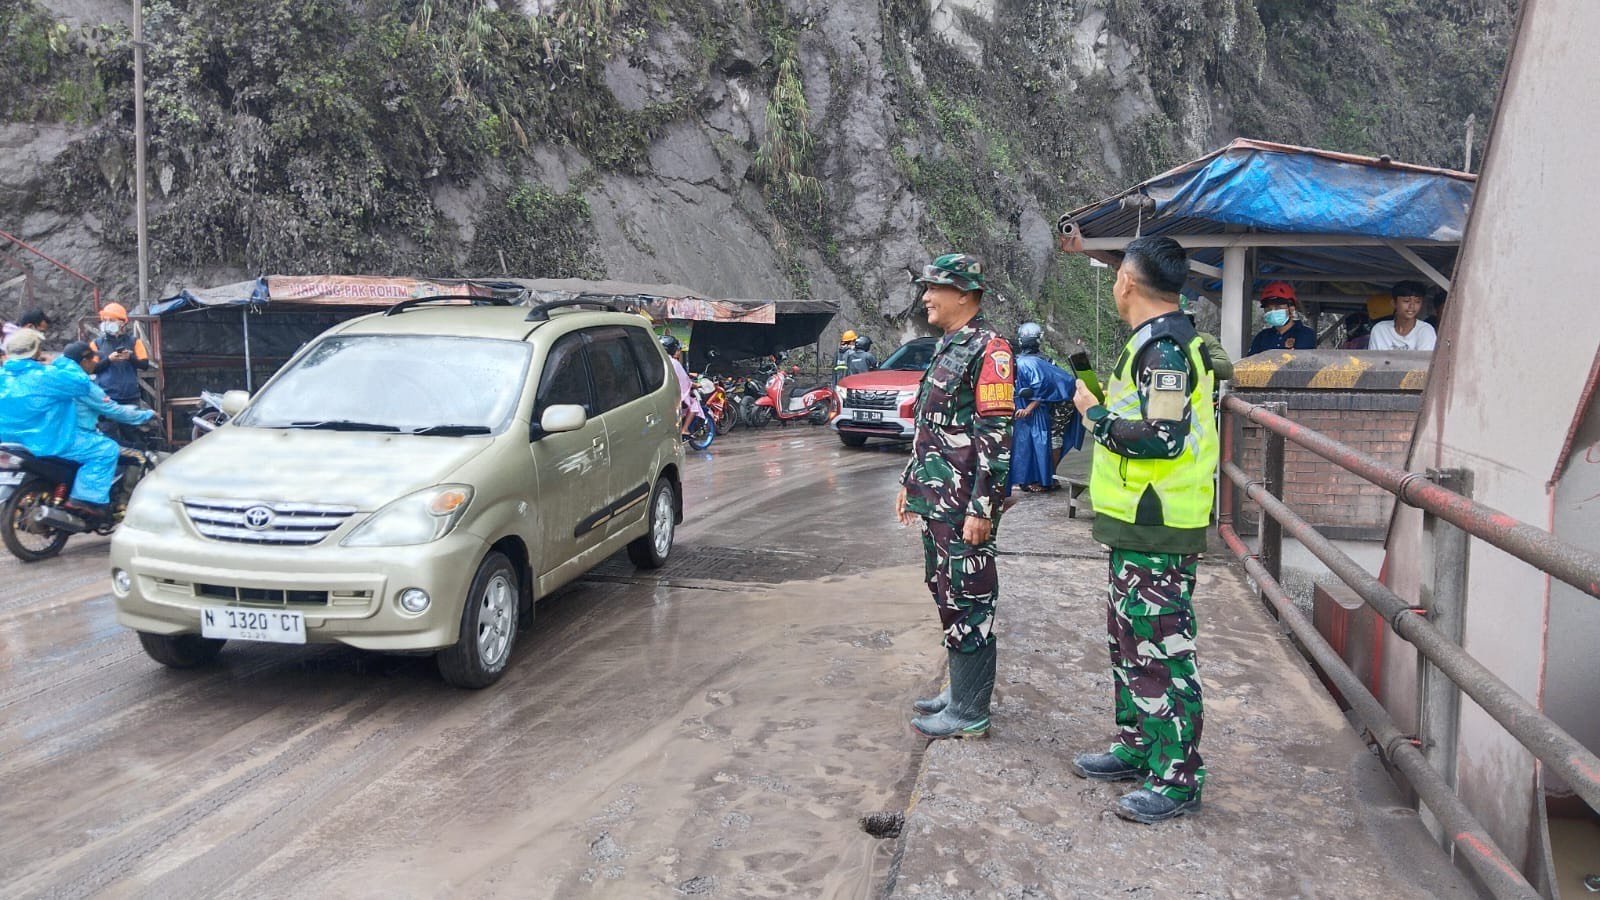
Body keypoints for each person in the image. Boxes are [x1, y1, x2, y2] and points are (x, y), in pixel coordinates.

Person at [1070, 235, 1218, 824]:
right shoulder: (1154, 342)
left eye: (1115, 276)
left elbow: (1163, 438)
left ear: (1127, 282)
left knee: (1160, 649)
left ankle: (1177, 778)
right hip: (1138, 526)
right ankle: (1138, 746)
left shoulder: (1164, 349)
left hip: (1159, 526)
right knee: (1130, 641)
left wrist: (1094, 415)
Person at [893, 253, 1013, 740]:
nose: (925, 298)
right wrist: (909, 482)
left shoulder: (990, 350)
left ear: (965, 294)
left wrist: (983, 507)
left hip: (965, 506)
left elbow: (996, 436)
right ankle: (960, 690)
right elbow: (930, 426)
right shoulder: (950, 346)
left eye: (934, 288)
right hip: (937, 500)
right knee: (945, 591)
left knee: (969, 597)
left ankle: (970, 710)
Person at [0, 329, 123, 518]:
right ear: (36, 351)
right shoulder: (47, 375)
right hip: (50, 440)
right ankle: (84, 500)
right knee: (106, 449)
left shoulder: (3, 376)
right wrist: (61, 362)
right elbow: (81, 384)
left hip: (11, 442)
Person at [1009, 321, 1078, 494]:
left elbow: (1041, 389)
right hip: (1057, 400)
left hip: (1061, 401)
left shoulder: (1036, 362)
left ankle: (1049, 479)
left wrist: (1029, 408)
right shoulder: (1041, 360)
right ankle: (1042, 477)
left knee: (1052, 438)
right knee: (1042, 439)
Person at [54, 341, 155, 436]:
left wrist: (130, 358)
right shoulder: (82, 384)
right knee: (115, 444)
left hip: (61, 431)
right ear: (84, 362)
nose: (94, 362)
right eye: (92, 360)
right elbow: (111, 409)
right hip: (79, 434)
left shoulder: (57, 374)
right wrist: (147, 415)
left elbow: (144, 365)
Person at [90, 303, 151, 406]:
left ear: (122, 323)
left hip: (130, 397)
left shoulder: (135, 342)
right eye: (105, 320)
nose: (107, 323)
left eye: (111, 320)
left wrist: (130, 358)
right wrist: (109, 360)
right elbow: (91, 369)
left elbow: (145, 365)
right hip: (105, 397)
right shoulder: (96, 344)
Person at [1246, 281, 1316, 355]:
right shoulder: (1262, 336)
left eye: (1278, 307)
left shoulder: (1305, 334)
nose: (1272, 312)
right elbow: (1251, 360)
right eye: (1268, 309)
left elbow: (1299, 360)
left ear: (1291, 308)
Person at [1367, 281, 1437, 351]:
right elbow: (1373, 357)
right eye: (1406, 301)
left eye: (1417, 302)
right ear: (1394, 303)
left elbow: (1425, 358)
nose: (1412, 306)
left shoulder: (1426, 330)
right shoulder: (1380, 330)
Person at [660, 334, 702, 435]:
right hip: (673, 396)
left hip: (663, 395)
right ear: (672, 350)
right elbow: (685, 382)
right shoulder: (674, 363)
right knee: (694, 405)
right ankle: (684, 429)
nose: (679, 352)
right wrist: (695, 385)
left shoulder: (661, 361)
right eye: (678, 350)